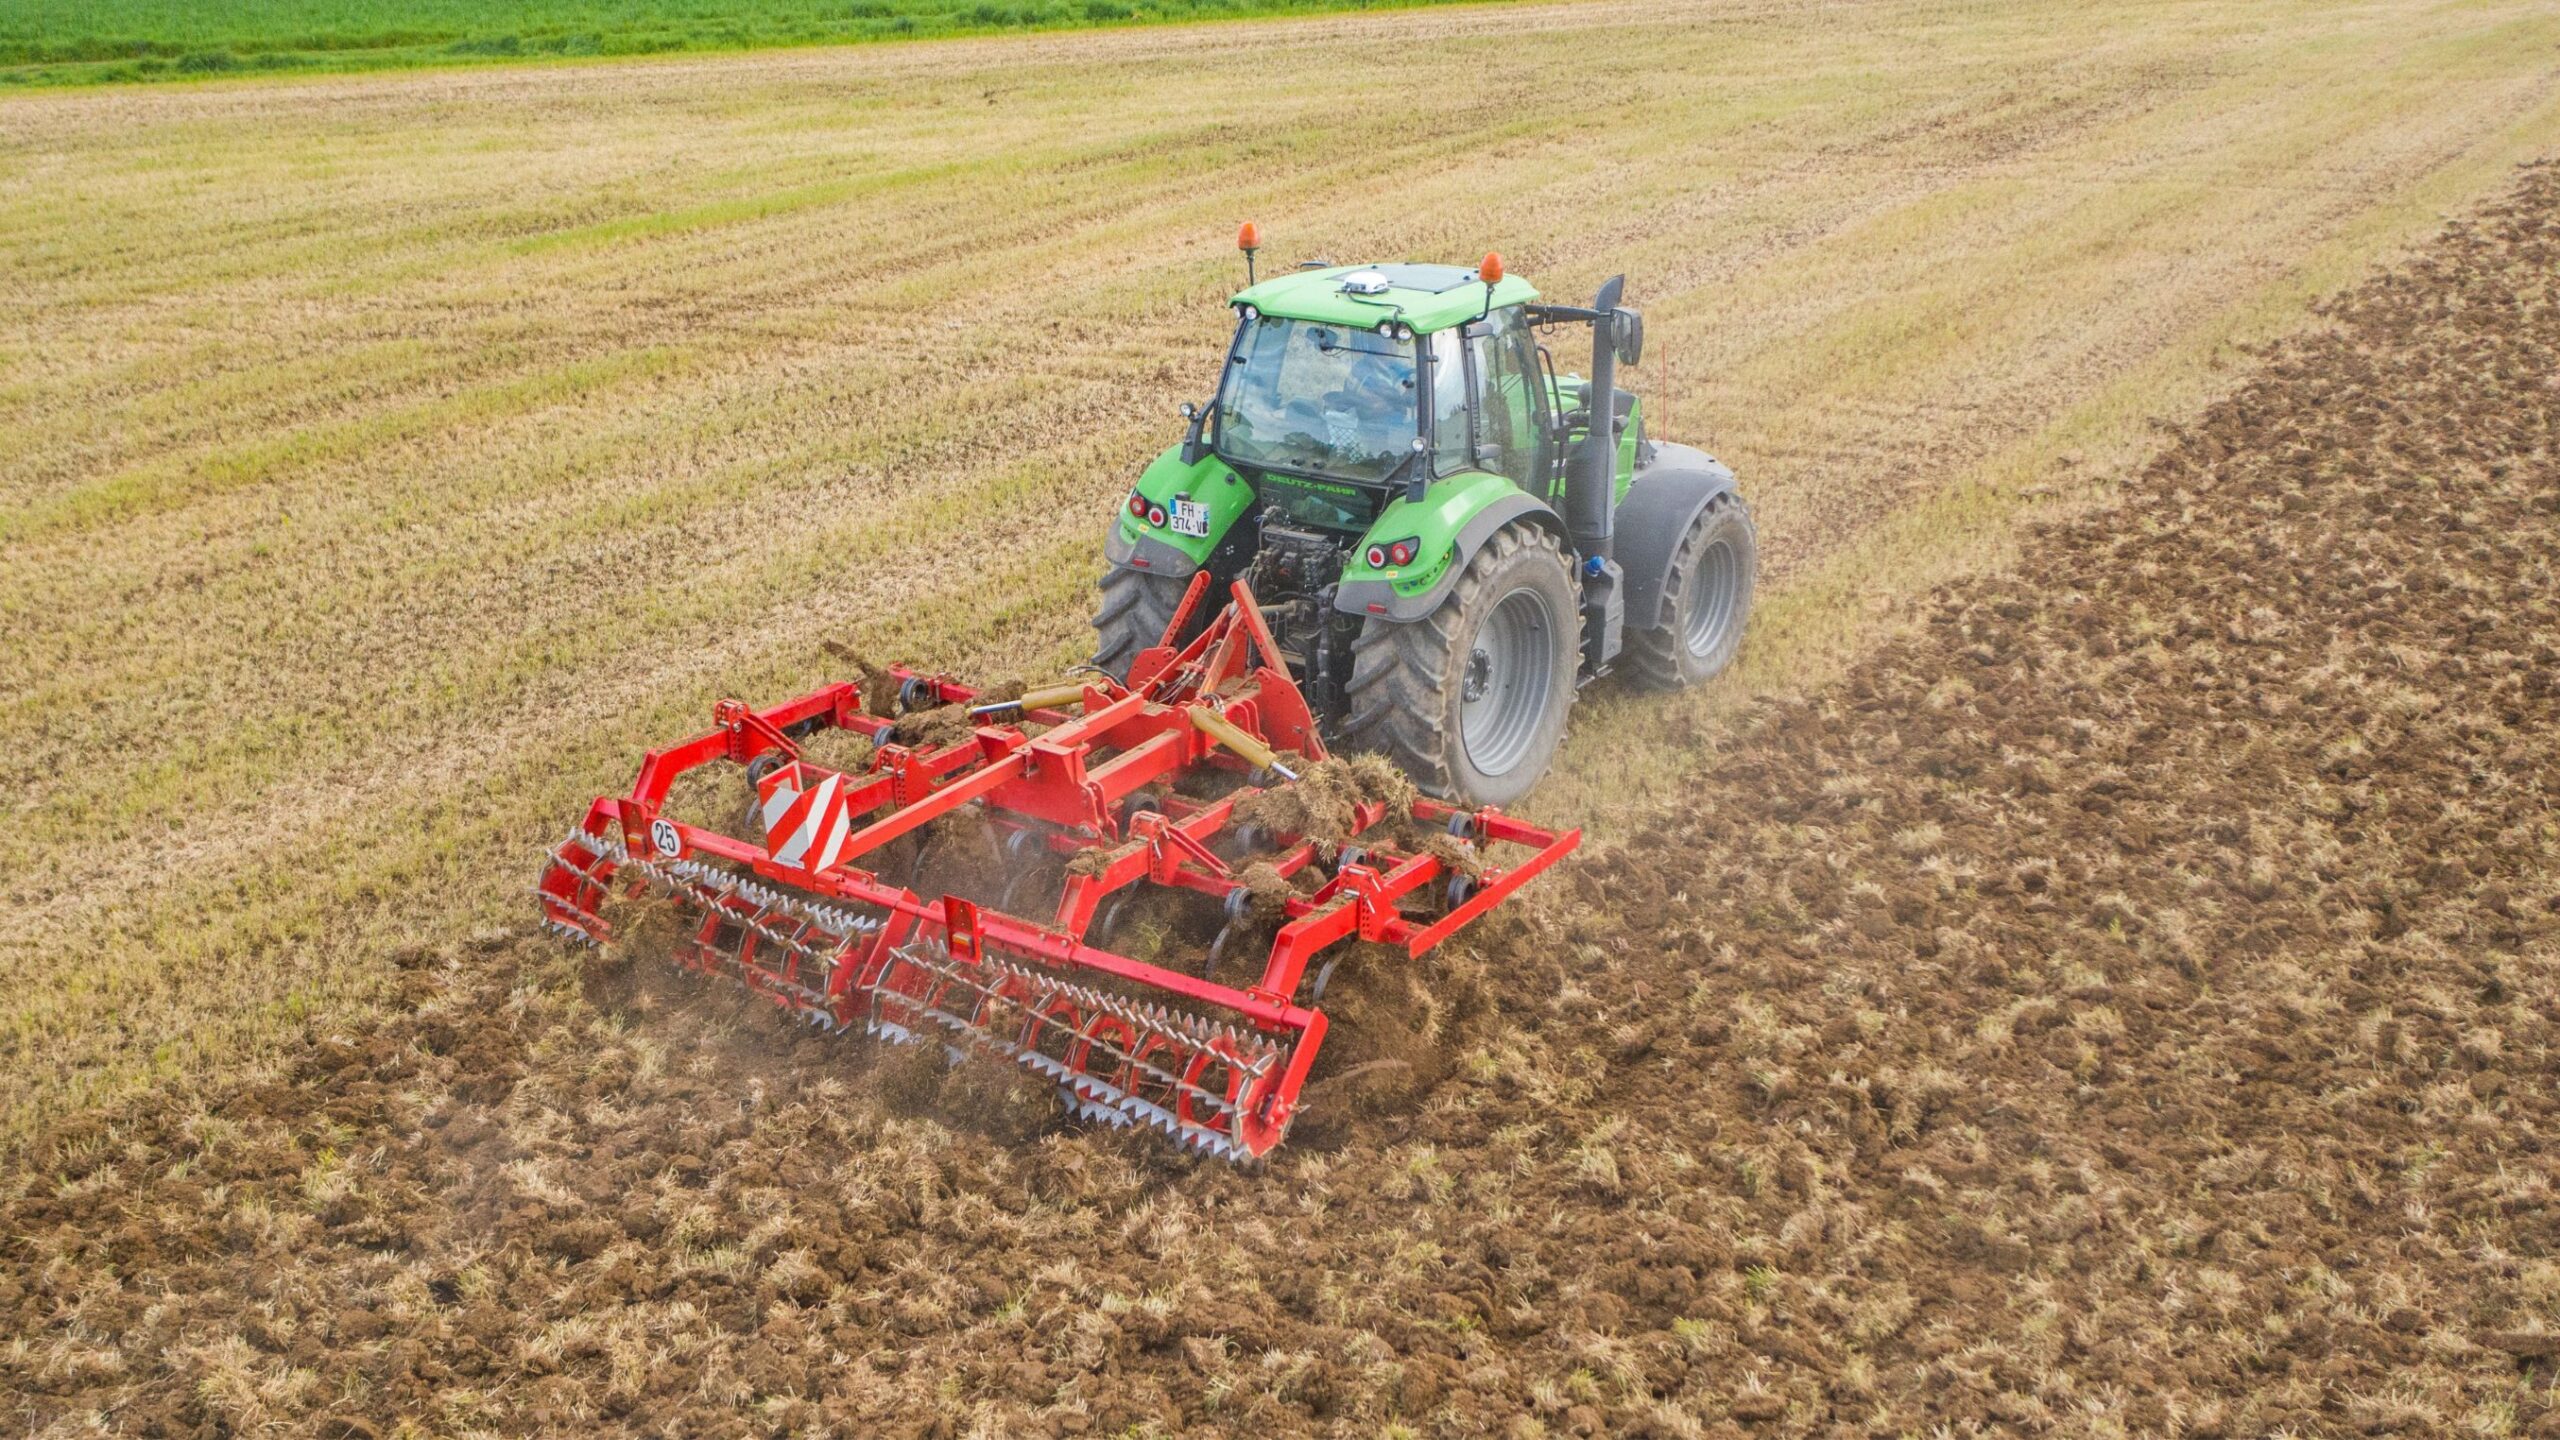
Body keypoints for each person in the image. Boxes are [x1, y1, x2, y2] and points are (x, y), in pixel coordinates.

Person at [1322, 346, 1416, 468]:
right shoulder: (1361, 371)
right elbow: (1372, 405)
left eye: (1393, 345)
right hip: (1372, 430)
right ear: (1376, 343)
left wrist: (1398, 399)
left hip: (1399, 430)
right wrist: (1396, 400)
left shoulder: (1396, 365)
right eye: (1387, 344)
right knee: (1371, 464)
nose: (1393, 348)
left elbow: (1412, 397)